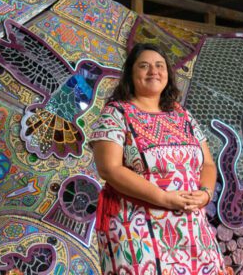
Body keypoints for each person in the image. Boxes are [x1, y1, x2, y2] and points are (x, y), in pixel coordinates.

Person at [90, 43, 226, 274]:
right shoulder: (116, 113)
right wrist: (163, 198)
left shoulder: (182, 115)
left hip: (191, 228)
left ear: (168, 75)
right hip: (136, 228)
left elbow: (208, 164)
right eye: (144, 66)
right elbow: (110, 169)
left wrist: (205, 193)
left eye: (159, 66)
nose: (153, 71)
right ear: (131, 76)